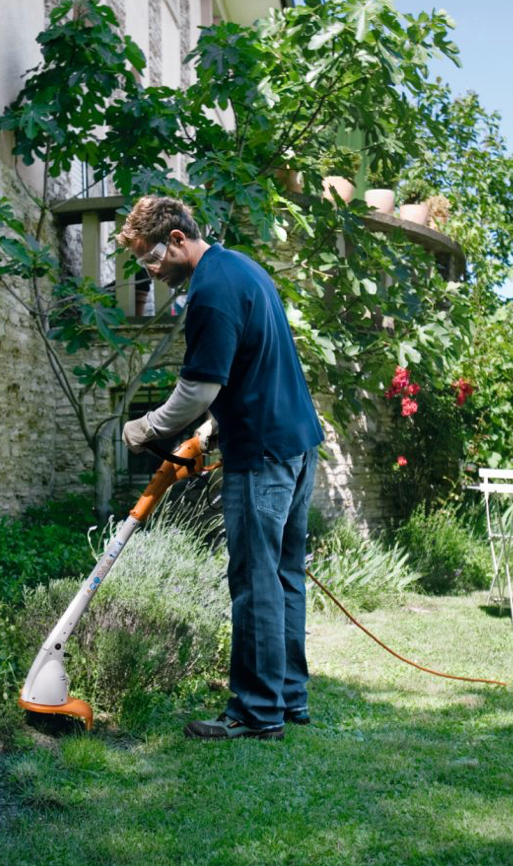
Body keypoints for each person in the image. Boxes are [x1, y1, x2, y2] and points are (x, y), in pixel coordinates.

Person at [117, 196, 323, 741]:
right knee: (284, 577)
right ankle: (289, 698)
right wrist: (210, 430)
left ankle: (256, 712)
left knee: (255, 582)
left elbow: (198, 388)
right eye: (143, 265)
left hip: (261, 456)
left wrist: (148, 428)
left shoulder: (208, 292)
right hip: (298, 445)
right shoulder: (242, 268)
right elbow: (252, 365)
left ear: (179, 239)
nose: (151, 271)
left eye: (152, 258)